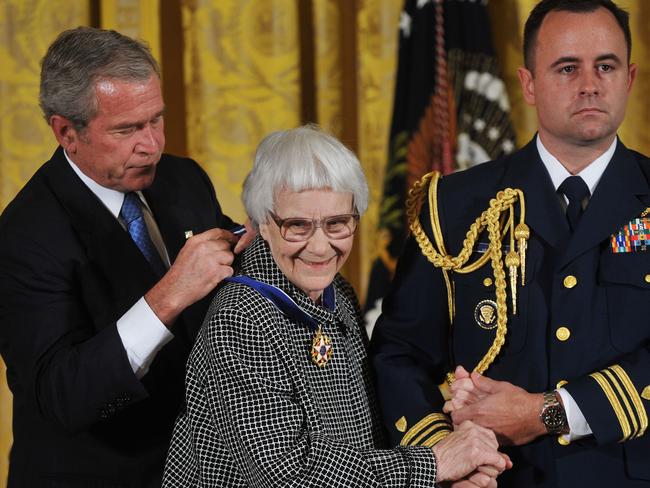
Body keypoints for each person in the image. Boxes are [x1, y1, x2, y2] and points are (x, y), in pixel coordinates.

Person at [371, 0, 650, 487]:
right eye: (567, 68)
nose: (589, 84)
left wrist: (549, 412)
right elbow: (399, 354)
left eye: (605, 65)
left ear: (629, 78)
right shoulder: (452, 205)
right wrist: (446, 453)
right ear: (528, 84)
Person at [163, 125, 511, 487]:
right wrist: (434, 463)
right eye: (297, 226)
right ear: (261, 224)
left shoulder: (338, 294)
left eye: (337, 224)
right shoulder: (241, 317)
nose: (320, 247)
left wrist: (454, 469)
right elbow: (289, 474)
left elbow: (366, 438)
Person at [0, 27, 252, 487]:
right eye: (127, 129)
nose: (151, 144)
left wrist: (267, 237)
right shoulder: (24, 236)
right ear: (65, 132)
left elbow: (228, 257)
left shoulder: (182, 178)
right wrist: (169, 294)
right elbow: (64, 395)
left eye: (156, 119)